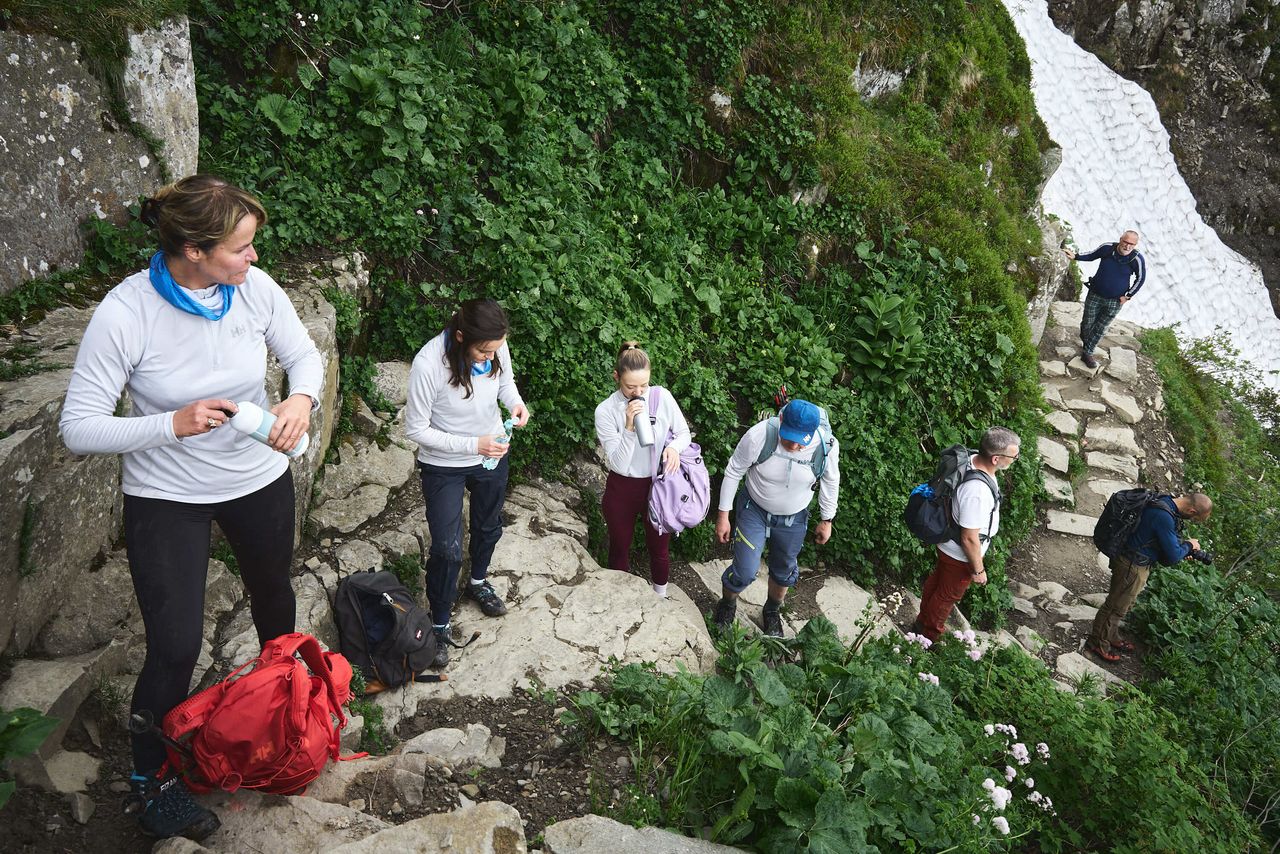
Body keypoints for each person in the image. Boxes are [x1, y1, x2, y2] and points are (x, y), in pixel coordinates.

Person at [59, 175, 323, 841]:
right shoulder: (127, 314)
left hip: (258, 476)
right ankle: (152, 780)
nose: (254, 259)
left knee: (274, 601)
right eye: (241, 248)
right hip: (166, 494)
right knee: (174, 647)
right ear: (194, 250)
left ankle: (278, 723)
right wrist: (167, 425)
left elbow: (303, 358)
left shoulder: (253, 290)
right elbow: (78, 428)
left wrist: (300, 401)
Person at [404, 299, 530, 668]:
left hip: (491, 455)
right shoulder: (428, 365)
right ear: (460, 338)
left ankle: (477, 581)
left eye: (495, 349)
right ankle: (440, 622)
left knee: (489, 526)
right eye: (483, 351)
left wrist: (516, 404)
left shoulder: (495, 344)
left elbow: (505, 382)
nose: (490, 357)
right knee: (446, 548)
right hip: (444, 464)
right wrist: (471, 444)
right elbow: (416, 429)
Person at [712, 399, 839, 637]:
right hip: (754, 509)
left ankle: (771, 611)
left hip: (794, 516)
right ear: (780, 421)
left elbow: (831, 481)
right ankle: (727, 603)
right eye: (788, 437)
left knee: (784, 570)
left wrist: (827, 519)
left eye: (801, 440)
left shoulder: (827, 445)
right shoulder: (759, 435)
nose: (793, 445)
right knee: (745, 571)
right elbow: (734, 470)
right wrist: (723, 515)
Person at [594, 342, 692, 597]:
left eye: (644, 385)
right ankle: (621, 597)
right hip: (622, 487)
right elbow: (617, 463)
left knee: (659, 547)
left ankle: (660, 595)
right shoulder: (605, 411)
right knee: (619, 546)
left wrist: (674, 449)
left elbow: (683, 434)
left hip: (657, 484)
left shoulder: (662, 397)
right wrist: (628, 426)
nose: (638, 392)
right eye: (630, 387)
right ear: (617, 377)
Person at [912, 427, 1020, 643]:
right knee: (947, 596)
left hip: (948, 546)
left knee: (938, 584)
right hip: (959, 554)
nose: (1016, 458)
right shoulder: (977, 492)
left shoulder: (972, 459)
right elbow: (969, 538)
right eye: (1013, 456)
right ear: (996, 458)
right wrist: (978, 569)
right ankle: (926, 638)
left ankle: (920, 623)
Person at [1087, 493, 1212, 662]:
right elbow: (1173, 557)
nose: (1192, 521)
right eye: (1195, 519)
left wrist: (1183, 549)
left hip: (1137, 562)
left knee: (1124, 605)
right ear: (1191, 510)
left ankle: (1111, 636)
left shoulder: (1166, 501)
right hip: (1132, 566)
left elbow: (1166, 546)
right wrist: (1189, 545)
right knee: (1114, 606)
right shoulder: (1164, 517)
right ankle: (1097, 643)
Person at [1063, 230, 1146, 368]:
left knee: (1101, 328)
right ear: (1120, 239)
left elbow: (1141, 278)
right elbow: (1092, 255)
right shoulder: (1107, 248)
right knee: (1087, 324)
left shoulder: (1137, 259)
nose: (1127, 246)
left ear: (1135, 245)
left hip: (1115, 301)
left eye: (1132, 244)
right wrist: (1076, 256)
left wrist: (1128, 296)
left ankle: (1088, 353)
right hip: (1095, 293)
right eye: (1125, 242)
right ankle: (1087, 342)